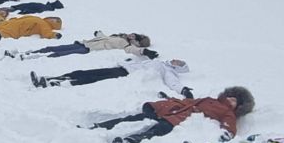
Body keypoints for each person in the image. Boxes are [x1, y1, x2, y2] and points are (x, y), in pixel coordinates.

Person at [91, 86, 254, 143]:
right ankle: (99, 127)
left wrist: (226, 134)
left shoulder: (228, 113)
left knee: (155, 131)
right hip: (168, 111)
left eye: (234, 101)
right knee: (133, 119)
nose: (231, 101)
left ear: (237, 107)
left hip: (178, 120)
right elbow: (185, 101)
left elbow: (229, 127)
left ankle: (129, 141)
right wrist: (164, 102)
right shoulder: (210, 99)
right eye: (232, 97)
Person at [32, 56, 189, 91]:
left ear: (178, 68)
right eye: (177, 60)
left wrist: (183, 90)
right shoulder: (159, 61)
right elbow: (136, 60)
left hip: (125, 75)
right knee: (83, 72)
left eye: (179, 63)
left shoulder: (167, 71)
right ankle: (51, 78)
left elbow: (173, 82)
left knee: (91, 78)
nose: (176, 61)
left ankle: (56, 83)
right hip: (121, 68)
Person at [11, 31, 152, 60]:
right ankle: (30, 53)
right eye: (132, 34)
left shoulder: (126, 44)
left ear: (136, 41)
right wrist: (99, 33)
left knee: (59, 54)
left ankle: (33, 58)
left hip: (87, 49)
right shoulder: (117, 36)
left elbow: (133, 51)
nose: (131, 35)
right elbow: (103, 38)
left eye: (134, 37)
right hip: (83, 43)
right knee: (54, 48)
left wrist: (144, 51)